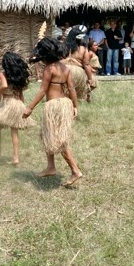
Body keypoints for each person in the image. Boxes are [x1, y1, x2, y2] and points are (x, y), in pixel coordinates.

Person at [23, 38, 82, 187]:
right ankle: (51, 167)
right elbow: (72, 89)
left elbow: (43, 90)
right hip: (64, 104)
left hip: (54, 107)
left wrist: (30, 107)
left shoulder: (49, 69)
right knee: (47, 135)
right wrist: (75, 106)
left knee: (59, 141)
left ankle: (75, 170)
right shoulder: (65, 68)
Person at [0, 52, 35, 165]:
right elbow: (21, 94)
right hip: (17, 103)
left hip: (8, 102)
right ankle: (16, 158)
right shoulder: (19, 75)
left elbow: (4, 86)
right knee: (14, 131)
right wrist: (22, 106)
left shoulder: (3, 74)